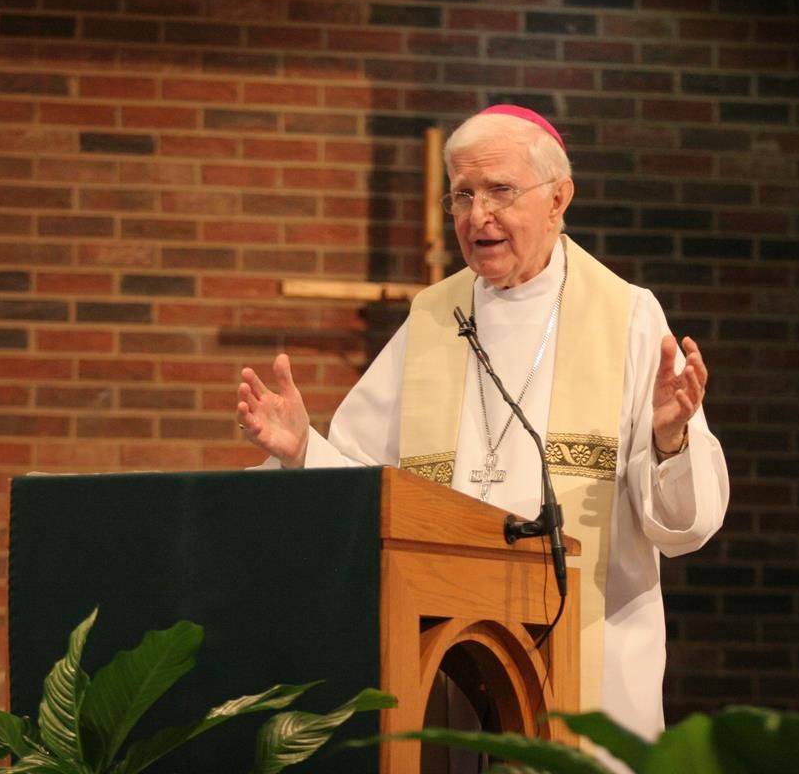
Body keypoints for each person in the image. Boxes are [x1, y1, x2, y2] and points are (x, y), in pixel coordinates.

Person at [236, 105, 729, 745]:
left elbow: (686, 527)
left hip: (590, 657)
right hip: (447, 653)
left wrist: (670, 441)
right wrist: (304, 449)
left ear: (559, 199)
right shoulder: (435, 317)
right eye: (462, 196)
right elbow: (372, 486)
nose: (478, 216)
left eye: (500, 191)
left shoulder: (628, 317)